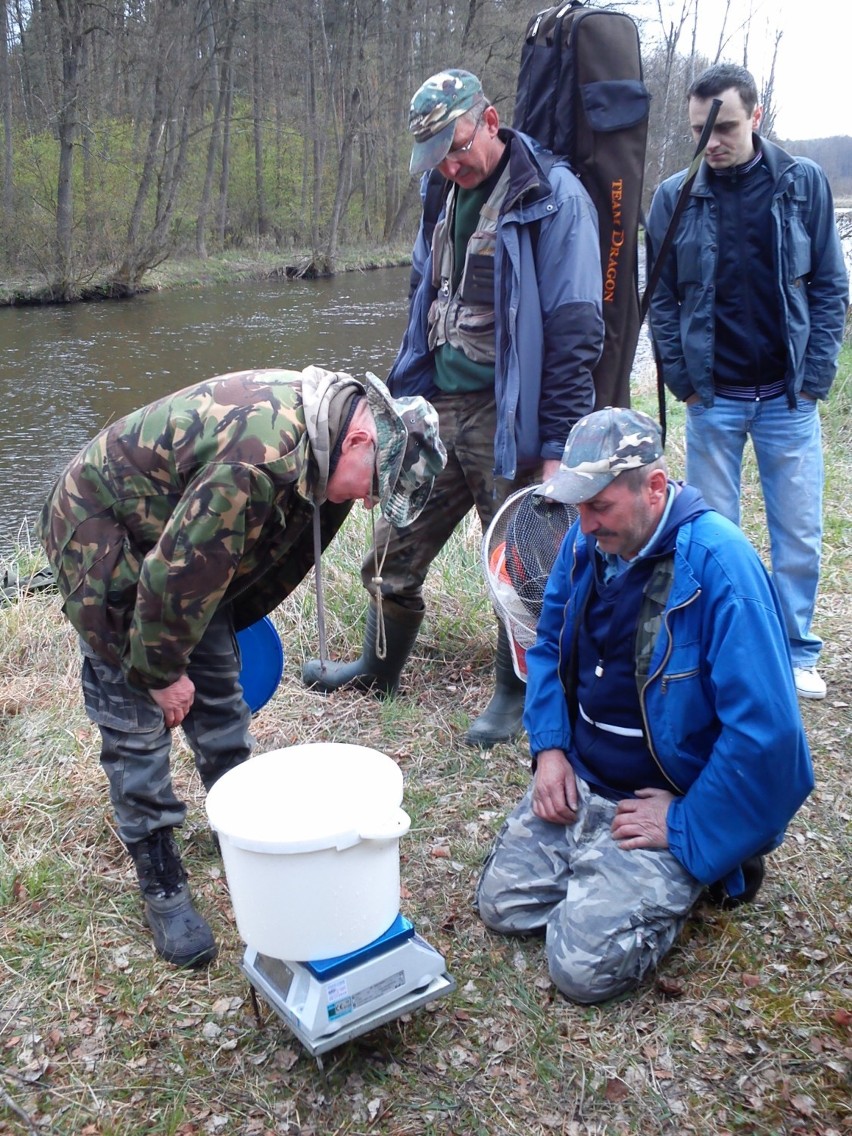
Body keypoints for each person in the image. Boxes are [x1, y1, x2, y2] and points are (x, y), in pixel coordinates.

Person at [38, 366, 445, 969]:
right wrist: (160, 672)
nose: (367, 500)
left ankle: (244, 822)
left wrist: (206, 641)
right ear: (361, 439)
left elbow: (219, 569)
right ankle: (160, 875)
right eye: (374, 485)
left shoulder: (328, 437)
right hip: (103, 528)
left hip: (183, 542)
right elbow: (174, 577)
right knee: (135, 718)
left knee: (219, 694)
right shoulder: (256, 460)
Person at [302, 69, 604, 747]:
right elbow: (421, 298)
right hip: (438, 403)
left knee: (519, 560)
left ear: (490, 121)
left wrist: (556, 446)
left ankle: (514, 693)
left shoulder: (553, 199)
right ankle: (377, 670)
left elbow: (576, 330)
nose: (450, 162)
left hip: (511, 414)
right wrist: (397, 398)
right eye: (436, 154)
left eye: (457, 146)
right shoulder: (439, 191)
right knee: (392, 545)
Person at [476, 406, 814, 1004]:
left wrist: (685, 824)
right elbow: (548, 645)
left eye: (599, 506)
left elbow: (770, 738)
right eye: (577, 508)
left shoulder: (719, 566)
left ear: (654, 488)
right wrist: (550, 749)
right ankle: (606, 860)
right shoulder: (587, 546)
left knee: (579, 970)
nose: (582, 526)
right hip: (584, 777)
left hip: (662, 799)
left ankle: (710, 858)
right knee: (502, 906)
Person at [646, 63, 849, 701]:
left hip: (789, 399)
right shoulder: (672, 196)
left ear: (755, 116)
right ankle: (726, 654)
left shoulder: (802, 184)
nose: (713, 140)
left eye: (725, 126)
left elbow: (829, 287)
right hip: (713, 400)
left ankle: (793, 653)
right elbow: (662, 301)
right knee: (712, 539)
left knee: (798, 534)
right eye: (701, 130)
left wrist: (815, 377)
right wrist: (682, 380)